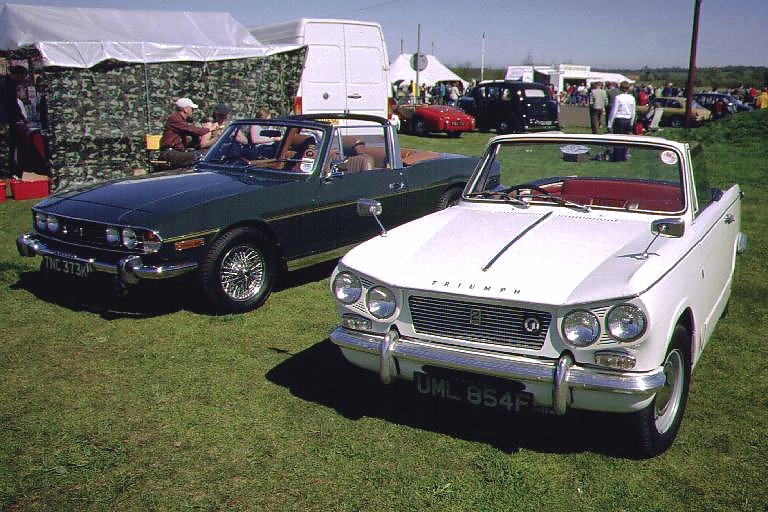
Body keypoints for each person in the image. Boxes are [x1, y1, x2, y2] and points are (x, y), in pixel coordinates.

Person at [159, 98, 214, 169]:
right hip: (170, 153)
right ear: (186, 109)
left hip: (177, 152)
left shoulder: (182, 120)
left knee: (205, 152)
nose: (193, 111)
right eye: (192, 109)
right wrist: (210, 129)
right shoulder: (174, 119)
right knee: (201, 155)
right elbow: (192, 130)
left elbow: (193, 133)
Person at [2, 65, 29, 177]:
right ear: (18, 75)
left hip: (6, 120)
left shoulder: (5, 82)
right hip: (5, 121)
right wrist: (21, 118)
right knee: (6, 150)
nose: (23, 80)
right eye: (23, 77)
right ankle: (5, 175)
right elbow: (11, 104)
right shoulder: (8, 84)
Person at [607, 81, 636, 161]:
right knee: (626, 139)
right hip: (628, 119)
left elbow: (614, 111)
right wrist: (631, 123)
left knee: (617, 139)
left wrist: (610, 123)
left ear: (620, 88)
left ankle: (617, 156)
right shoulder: (632, 98)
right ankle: (624, 156)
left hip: (619, 119)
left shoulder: (618, 97)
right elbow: (633, 111)